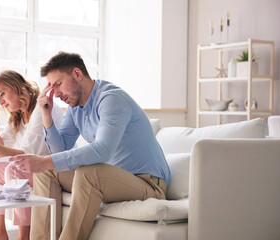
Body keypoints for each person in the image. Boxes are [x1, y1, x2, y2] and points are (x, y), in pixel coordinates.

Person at [10, 52, 171, 240]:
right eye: (51, 87)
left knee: (89, 171)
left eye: (58, 84)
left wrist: (46, 160)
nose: (56, 93)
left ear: (77, 74)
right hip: (110, 179)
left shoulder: (111, 99)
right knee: (46, 171)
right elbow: (60, 153)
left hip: (147, 184)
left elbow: (102, 150)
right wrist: (47, 117)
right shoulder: (75, 108)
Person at [0, 70, 63, 240]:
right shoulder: (18, 115)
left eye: (2, 94)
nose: (1, 102)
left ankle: (23, 236)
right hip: (32, 166)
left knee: (14, 169)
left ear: (17, 87)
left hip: (51, 168)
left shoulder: (41, 108)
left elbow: (27, 154)